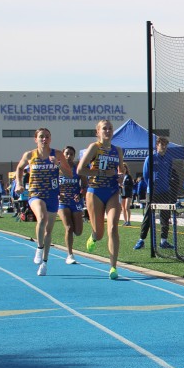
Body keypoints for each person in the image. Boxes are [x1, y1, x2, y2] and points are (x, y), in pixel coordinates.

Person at [14, 127, 73, 276]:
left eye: (47, 136)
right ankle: (39, 248)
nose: (44, 139)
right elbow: (19, 168)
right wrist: (19, 184)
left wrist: (58, 164)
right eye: (41, 137)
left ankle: (44, 263)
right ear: (36, 139)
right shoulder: (30, 155)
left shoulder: (57, 154)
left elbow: (69, 174)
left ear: (50, 139)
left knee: (48, 231)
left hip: (52, 194)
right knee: (41, 218)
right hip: (36, 194)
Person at [77, 119, 126, 280]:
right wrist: (102, 173)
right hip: (95, 192)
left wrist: (121, 177)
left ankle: (113, 267)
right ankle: (93, 236)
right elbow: (80, 170)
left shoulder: (118, 150)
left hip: (112, 191)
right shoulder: (94, 148)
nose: (108, 131)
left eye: (110, 128)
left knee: (113, 228)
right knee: (99, 233)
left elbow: (121, 170)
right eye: (104, 128)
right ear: (98, 132)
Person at [135, 136, 179, 251]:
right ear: (157, 145)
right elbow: (145, 175)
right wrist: (151, 185)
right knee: (149, 216)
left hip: (165, 192)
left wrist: (166, 184)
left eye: (165, 145)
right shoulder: (150, 158)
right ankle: (141, 240)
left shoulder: (169, 159)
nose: (164, 147)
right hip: (152, 192)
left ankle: (163, 241)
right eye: (162, 144)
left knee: (165, 216)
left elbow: (169, 173)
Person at [56, 146, 85, 264]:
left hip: (75, 201)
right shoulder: (57, 168)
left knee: (78, 232)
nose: (69, 156)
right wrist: (57, 194)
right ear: (63, 155)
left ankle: (74, 226)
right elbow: (51, 184)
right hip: (62, 202)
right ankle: (70, 254)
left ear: (74, 156)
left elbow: (85, 185)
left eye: (71, 154)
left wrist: (80, 195)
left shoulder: (78, 168)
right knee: (68, 228)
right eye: (67, 154)